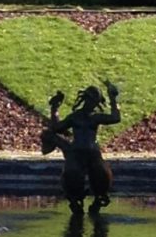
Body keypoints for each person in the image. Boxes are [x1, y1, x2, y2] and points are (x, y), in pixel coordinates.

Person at [42, 83, 120, 211]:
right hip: (77, 152)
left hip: (92, 152)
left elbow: (115, 118)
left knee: (101, 174)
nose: (92, 104)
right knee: (71, 173)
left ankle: (99, 197)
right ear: (85, 99)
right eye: (91, 100)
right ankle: (74, 198)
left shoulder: (95, 117)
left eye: (95, 102)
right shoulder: (75, 117)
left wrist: (113, 99)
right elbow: (57, 127)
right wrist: (54, 109)